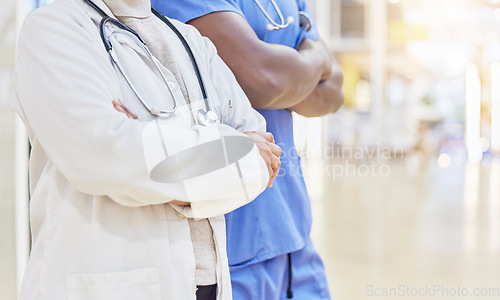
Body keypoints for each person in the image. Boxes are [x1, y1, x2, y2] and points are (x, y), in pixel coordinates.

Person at [11, 0, 282, 299]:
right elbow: (108, 158)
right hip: (108, 286)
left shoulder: (191, 42)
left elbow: (262, 156)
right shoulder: (53, 29)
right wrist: (226, 155)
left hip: (208, 284)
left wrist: (150, 143)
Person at [152, 0, 344, 299]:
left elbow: (333, 93)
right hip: (227, 250)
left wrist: (287, 76)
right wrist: (316, 59)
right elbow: (264, 79)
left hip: (296, 239)